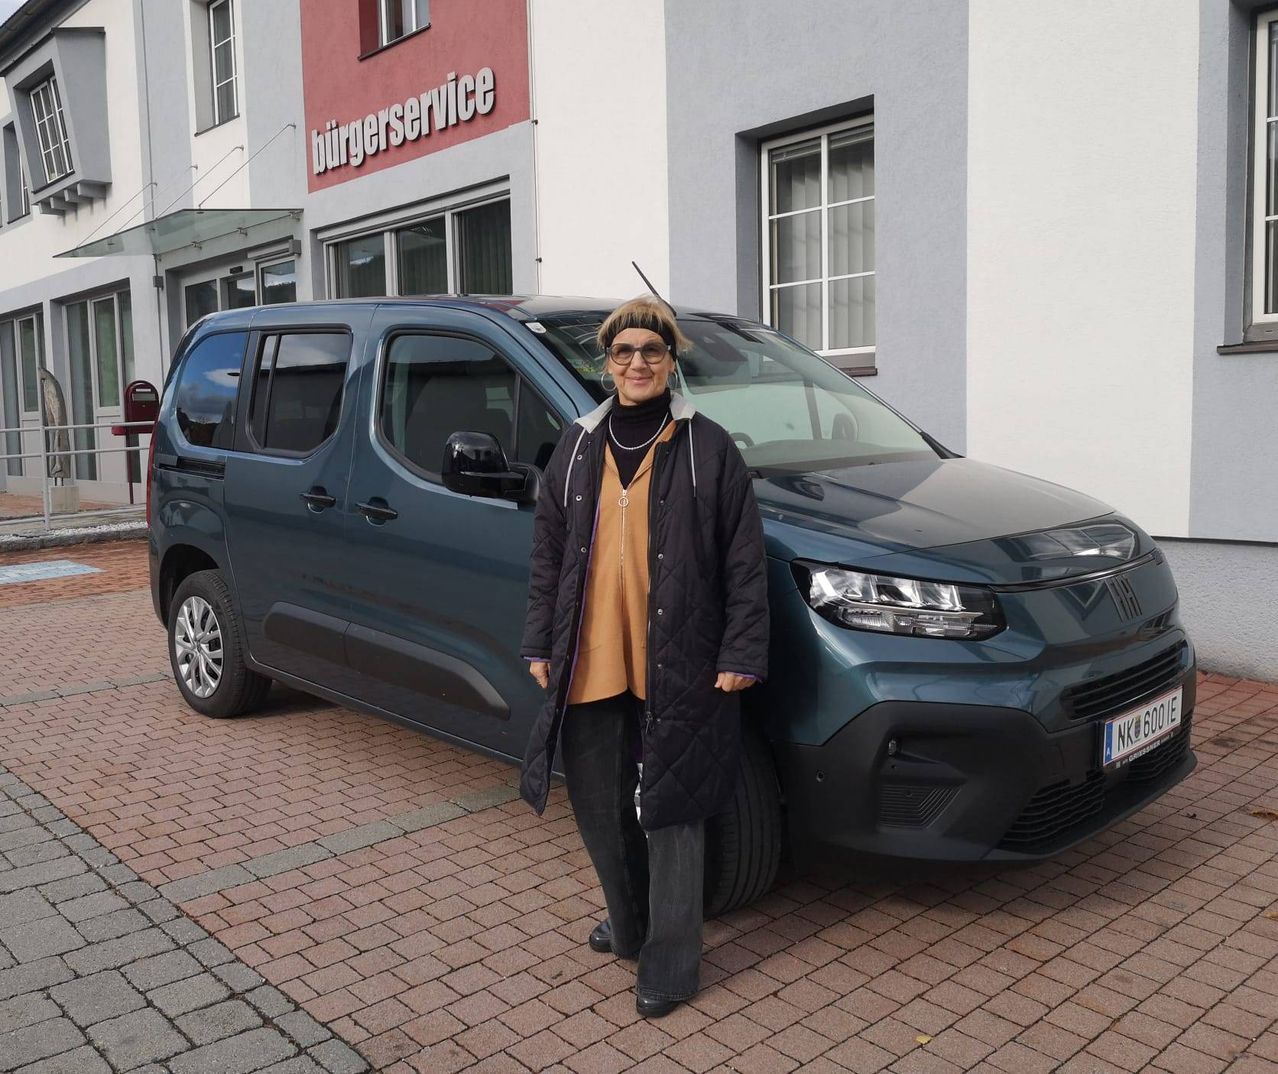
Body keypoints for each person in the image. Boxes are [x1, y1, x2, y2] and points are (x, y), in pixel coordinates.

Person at [518, 296, 769, 1018]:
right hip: (592, 651)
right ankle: (629, 926)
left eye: (652, 353)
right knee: (598, 802)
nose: (637, 364)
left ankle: (672, 958)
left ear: (669, 362)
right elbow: (548, 555)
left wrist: (741, 648)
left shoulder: (708, 446)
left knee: (673, 805)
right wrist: (540, 639)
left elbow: (743, 562)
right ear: (607, 363)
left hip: (681, 656)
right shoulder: (574, 444)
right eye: (625, 352)